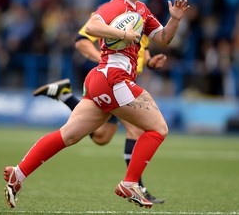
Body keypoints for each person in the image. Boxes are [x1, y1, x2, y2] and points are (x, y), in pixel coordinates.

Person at [3, 0, 190, 209]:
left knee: (68, 135)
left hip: (100, 79)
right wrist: (124, 35)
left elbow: (164, 38)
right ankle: (131, 182)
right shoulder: (115, 5)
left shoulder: (142, 10)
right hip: (114, 78)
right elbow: (92, 26)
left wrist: (175, 20)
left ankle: (19, 173)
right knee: (158, 128)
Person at [33, 18, 167, 203]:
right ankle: (136, 186)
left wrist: (150, 61)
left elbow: (142, 46)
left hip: (125, 80)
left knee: (101, 137)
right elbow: (81, 40)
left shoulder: (140, 14)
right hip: (113, 82)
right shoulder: (107, 14)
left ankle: (65, 95)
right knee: (137, 130)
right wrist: (106, 61)